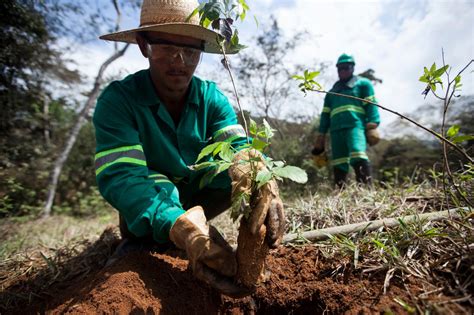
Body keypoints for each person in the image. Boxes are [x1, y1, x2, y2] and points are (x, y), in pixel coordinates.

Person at [94, 0, 284, 297]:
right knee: (153, 191)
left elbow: (235, 145)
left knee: (238, 170)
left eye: (191, 51)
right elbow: (121, 176)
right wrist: (180, 225)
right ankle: (144, 244)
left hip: (201, 197)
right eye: (167, 48)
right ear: (144, 45)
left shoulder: (212, 99)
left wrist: (257, 170)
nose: (179, 61)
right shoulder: (118, 101)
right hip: (148, 205)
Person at [312, 54, 380, 187]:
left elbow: (371, 104)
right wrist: (321, 135)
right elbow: (325, 115)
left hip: (355, 126)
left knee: (358, 152)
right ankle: (340, 190)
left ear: (352, 68)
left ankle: (366, 189)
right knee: (339, 160)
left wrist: (373, 124)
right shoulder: (331, 93)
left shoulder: (363, 84)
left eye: (346, 67)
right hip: (335, 130)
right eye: (340, 68)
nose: (343, 70)